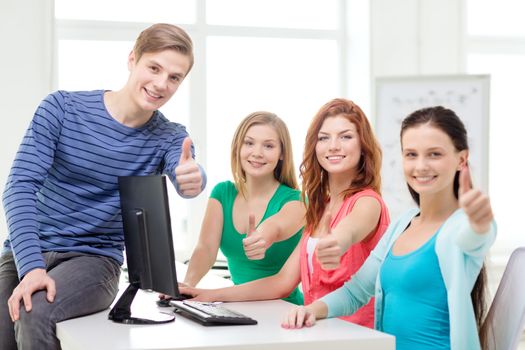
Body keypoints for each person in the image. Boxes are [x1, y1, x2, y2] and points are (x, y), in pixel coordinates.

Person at [0, 23, 206, 350]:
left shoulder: (170, 137)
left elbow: (186, 171)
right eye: (154, 68)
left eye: (174, 77)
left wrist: (191, 178)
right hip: (28, 249)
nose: (160, 84)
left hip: (94, 260)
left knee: (34, 311)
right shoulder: (62, 109)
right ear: (132, 59)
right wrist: (32, 268)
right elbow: (19, 187)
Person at [282, 106, 497, 350]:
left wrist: (480, 222)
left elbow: (477, 237)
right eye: (411, 154)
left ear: (461, 159)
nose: (421, 166)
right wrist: (311, 310)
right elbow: (356, 292)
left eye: (434, 154)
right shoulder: (402, 225)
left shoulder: (460, 226)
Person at [180, 98, 390, 328]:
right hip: (316, 329)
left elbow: (349, 230)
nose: (333, 146)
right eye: (324, 138)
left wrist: (338, 242)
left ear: (363, 146)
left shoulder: (368, 202)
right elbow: (282, 282)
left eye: (346, 136)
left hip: (357, 335)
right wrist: (207, 295)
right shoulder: (319, 209)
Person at [181, 111, 305, 305]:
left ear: (282, 154)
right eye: (249, 143)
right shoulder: (223, 193)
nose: (257, 153)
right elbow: (206, 248)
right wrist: (187, 287)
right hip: (241, 305)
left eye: (269, 146)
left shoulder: (297, 201)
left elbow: (277, 226)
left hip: (285, 310)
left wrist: (263, 237)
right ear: (238, 147)